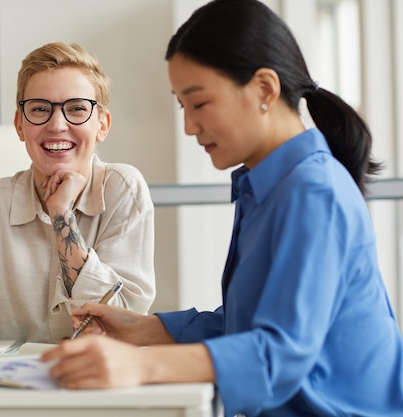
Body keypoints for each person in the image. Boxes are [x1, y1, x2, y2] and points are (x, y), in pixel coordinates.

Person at [41, 1, 403, 416]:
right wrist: (145, 330)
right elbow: (245, 326)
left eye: (199, 103)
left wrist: (139, 364)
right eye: (182, 106)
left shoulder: (313, 192)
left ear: (265, 89)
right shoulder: (266, 185)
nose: (189, 126)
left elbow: (278, 355)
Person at [0, 42, 156, 345]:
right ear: (20, 125)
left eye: (77, 109)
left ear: (102, 125)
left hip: (96, 384)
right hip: (12, 386)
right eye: (40, 109)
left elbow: (123, 321)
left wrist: (62, 215)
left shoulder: (123, 189)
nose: (57, 125)